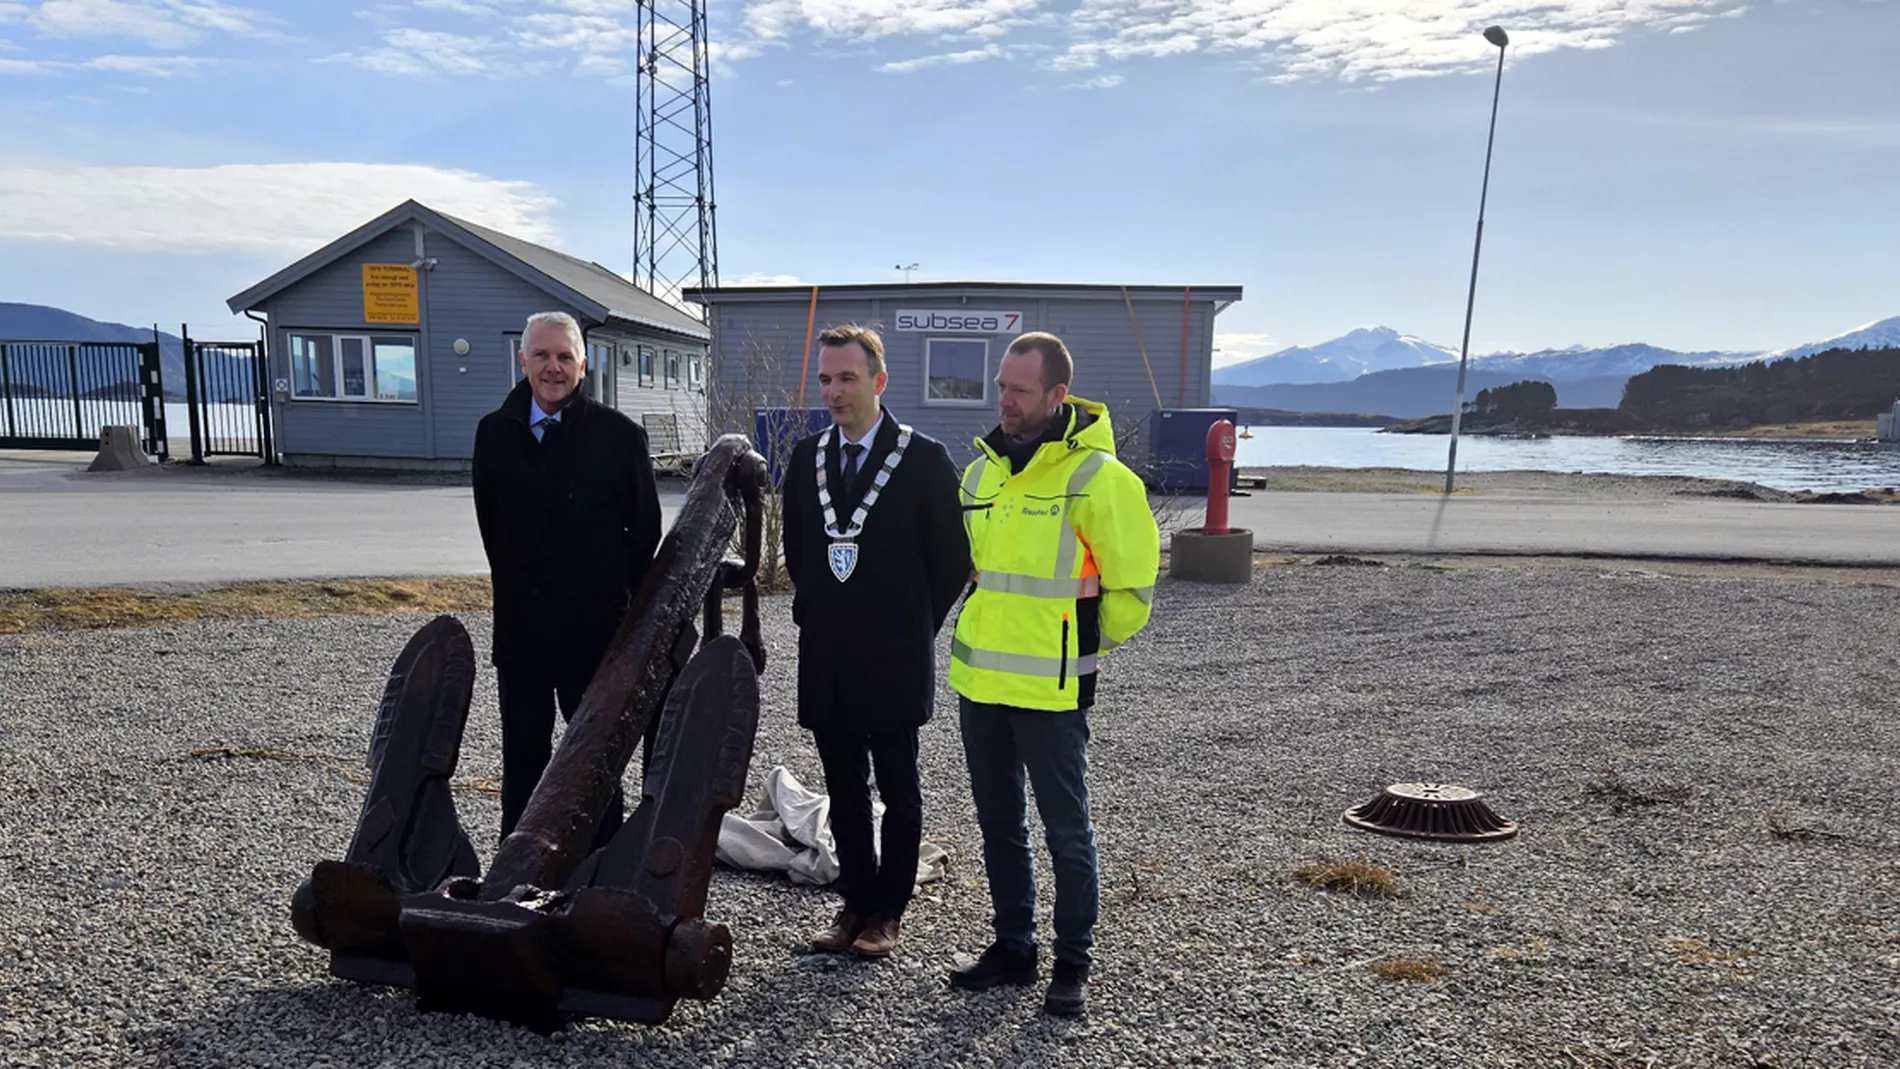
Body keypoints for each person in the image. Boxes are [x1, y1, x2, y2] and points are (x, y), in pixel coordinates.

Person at [946, 331, 1159, 1017]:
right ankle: (1014, 947)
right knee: (998, 823)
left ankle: (1073, 961)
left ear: (1057, 395)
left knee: (1066, 830)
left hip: (1053, 687)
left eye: (1019, 390)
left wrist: (1080, 645)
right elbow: (975, 571)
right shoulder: (980, 473)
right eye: (1001, 386)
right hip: (981, 683)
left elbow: (1132, 591)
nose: (1004, 400)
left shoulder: (1098, 479)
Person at [782, 324, 971, 958]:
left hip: (893, 654)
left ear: (878, 381)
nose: (835, 392)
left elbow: (950, 561)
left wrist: (913, 624)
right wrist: (816, 612)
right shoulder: (806, 456)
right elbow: (800, 547)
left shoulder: (924, 459)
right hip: (829, 655)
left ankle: (889, 910)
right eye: (827, 380)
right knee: (842, 786)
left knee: (897, 786)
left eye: (848, 379)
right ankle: (854, 904)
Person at [471, 310, 662, 851]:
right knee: (524, 759)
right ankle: (515, 868)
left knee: (594, 761)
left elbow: (643, 530)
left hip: (594, 635)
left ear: (583, 364)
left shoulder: (619, 438)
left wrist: (607, 598)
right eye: (542, 355)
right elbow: (493, 529)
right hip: (523, 634)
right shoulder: (495, 434)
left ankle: (598, 868)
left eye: (564, 357)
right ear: (523, 360)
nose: (552, 367)